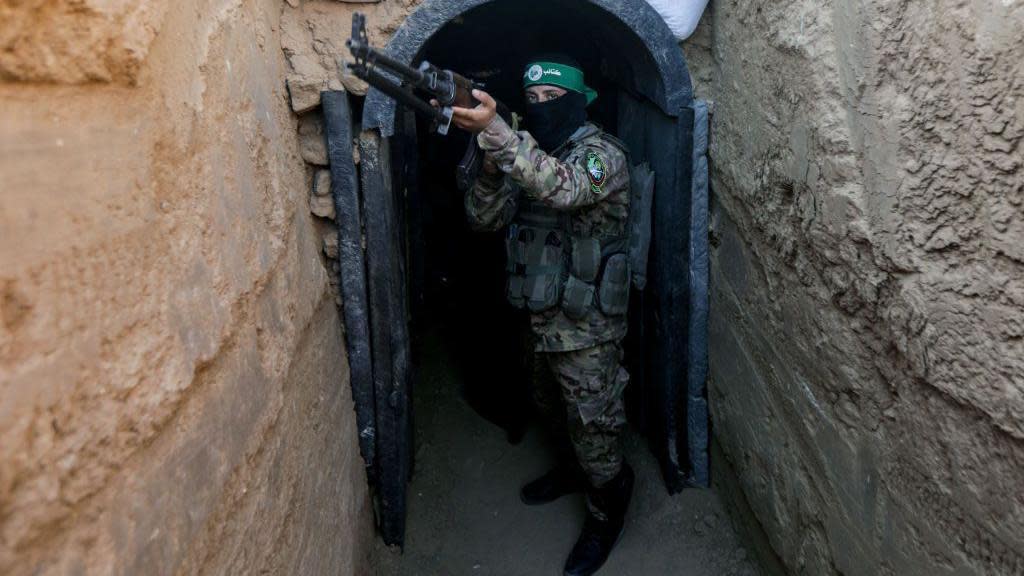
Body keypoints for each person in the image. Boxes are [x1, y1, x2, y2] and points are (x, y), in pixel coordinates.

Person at [451, 55, 634, 576]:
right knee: (549, 408)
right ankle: (576, 474)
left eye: (554, 99)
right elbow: (483, 220)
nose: (542, 109)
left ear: (582, 101)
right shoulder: (525, 154)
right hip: (540, 316)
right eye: (532, 101)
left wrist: (502, 137)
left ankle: (607, 507)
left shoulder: (601, 155)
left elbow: (568, 188)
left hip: (588, 327)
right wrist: (491, 164)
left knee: (594, 427)